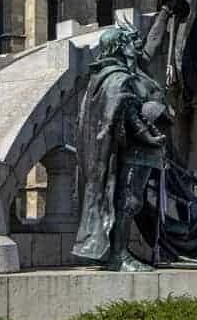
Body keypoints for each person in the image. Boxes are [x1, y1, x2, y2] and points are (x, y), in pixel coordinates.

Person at [72, 24, 173, 272]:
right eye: (129, 43)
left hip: (124, 149)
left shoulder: (103, 76)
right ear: (120, 47)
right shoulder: (118, 77)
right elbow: (122, 108)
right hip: (134, 150)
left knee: (127, 200)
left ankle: (114, 252)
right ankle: (118, 254)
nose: (134, 46)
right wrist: (148, 134)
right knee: (129, 201)